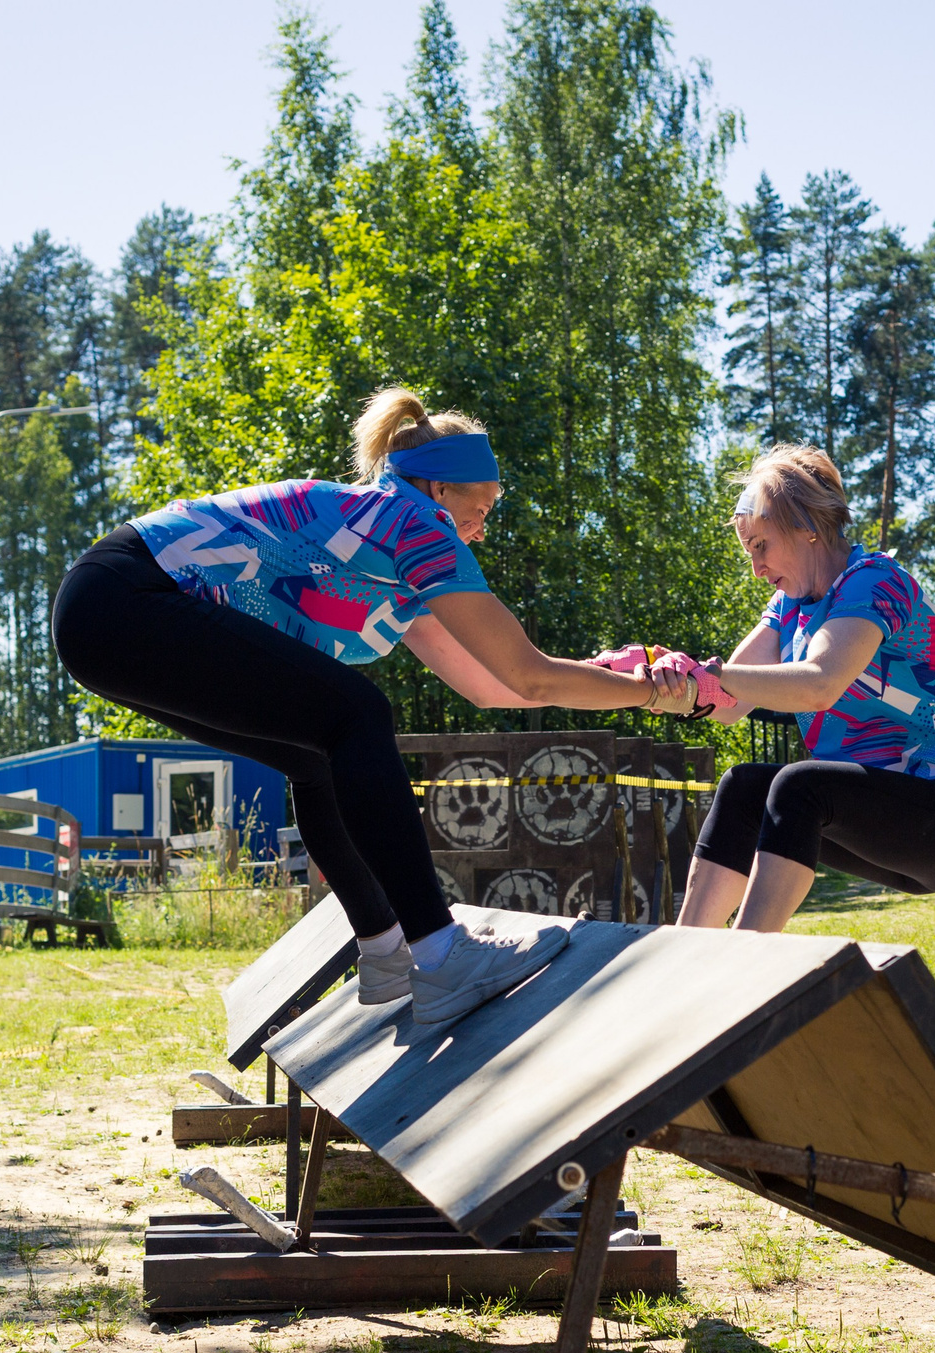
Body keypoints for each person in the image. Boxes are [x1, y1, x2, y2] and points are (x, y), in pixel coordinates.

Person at [52, 387, 693, 1025]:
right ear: (439, 490)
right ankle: (440, 952)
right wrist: (654, 696)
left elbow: (492, 686)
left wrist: (610, 674)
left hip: (101, 613)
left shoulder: (388, 544)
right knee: (358, 715)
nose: (482, 525)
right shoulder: (413, 524)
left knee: (318, 752)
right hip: (126, 598)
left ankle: (386, 953)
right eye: (482, 506)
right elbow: (531, 679)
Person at [667, 445, 935, 932]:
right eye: (748, 551)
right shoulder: (788, 604)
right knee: (745, 786)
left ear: (807, 526)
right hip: (894, 815)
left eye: (761, 546)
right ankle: (685, 958)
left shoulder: (875, 581)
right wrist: (666, 681)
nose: (757, 567)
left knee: (797, 786)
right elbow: (727, 703)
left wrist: (707, 677)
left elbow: (819, 684)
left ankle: (739, 965)